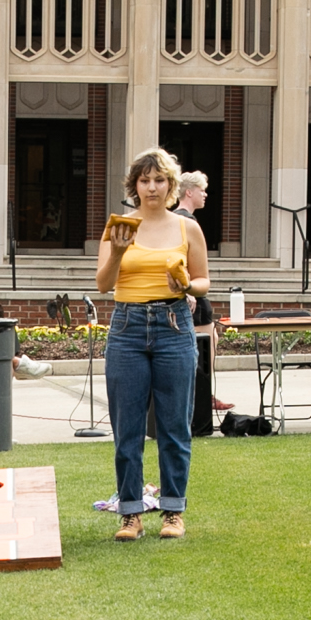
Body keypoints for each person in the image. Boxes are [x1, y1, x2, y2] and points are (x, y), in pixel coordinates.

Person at [94, 147, 205, 537]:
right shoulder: (120, 227)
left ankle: (173, 511)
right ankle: (130, 513)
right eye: (144, 180)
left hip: (173, 325)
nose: (152, 187)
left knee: (174, 425)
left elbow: (204, 280)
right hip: (127, 326)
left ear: (171, 185)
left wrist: (187, 284)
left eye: (159, 180)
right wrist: (119, 252)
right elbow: (104, 284)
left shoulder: (186, 227)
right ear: (135, 186)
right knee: (127, 427)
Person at [178, 168, 221, 439]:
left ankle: (206, 399)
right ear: (189, 192)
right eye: (202, 190)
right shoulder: (181, 221)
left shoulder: (189, 220)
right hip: (191, 301)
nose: (206, 195)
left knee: (210, 343)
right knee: (198, 360)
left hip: (199, 299)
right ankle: (196, 407)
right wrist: (185, 291)